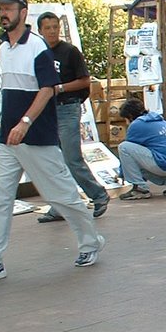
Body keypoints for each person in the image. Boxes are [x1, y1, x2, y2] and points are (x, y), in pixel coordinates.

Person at [0, 0, 104, 282]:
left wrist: (25, 123)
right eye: (0, 8)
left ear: (23, 11)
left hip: (35, 136)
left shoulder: (38, 48)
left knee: (62, 195)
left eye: (8, 8)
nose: (3, 13)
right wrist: (10, 127)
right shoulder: (4, 47)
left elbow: (46, 89)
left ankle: (91, 242)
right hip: (8, 138)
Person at [34, 12, 110, 224]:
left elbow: (85, 81)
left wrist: (60, 88)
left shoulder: (70, 52)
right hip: (46, 111)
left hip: (67, 107)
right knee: (52, 161)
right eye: (47, 28)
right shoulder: (38, 52)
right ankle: (60, 205)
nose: (51, 31)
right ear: (40, 30)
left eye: (55, 27)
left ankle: (98, 195)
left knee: (71, 157)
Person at [116, 99, 166, 199]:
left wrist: (121, 175)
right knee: (136, 164)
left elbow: (127, 154)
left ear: (130, 116)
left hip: (164, 163)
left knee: (124, 147)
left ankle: (140, 189)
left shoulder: (136, 125)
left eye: (126, 119)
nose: (126, 123)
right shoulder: (160, 120)